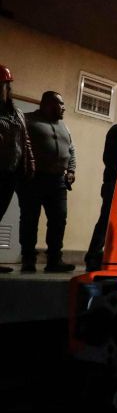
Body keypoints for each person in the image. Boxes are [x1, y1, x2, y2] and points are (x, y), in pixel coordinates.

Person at [18, 91, 76, 273]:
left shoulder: (64, 126)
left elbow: (71, 149)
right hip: (32, 179)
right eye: (60, 104)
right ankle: (28, 260)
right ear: (47, 104)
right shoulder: (27, 120)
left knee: (59, 219)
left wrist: (71, 170)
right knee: (30, 219)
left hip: (58, 181)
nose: (64, 108)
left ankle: (54, 260)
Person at [84, 104, 117, 271]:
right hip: (114, 182)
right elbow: (109, 158)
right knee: (106, 220)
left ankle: (110, 257)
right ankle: (93, 257)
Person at [0, 64, 35, 273]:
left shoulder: (17, 113)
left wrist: (30, 163)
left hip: (11, 172)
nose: (3, 89)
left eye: (4, 85)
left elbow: (25, 141)